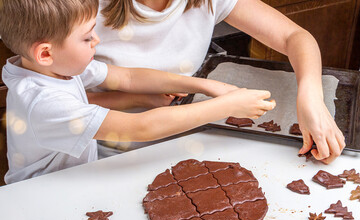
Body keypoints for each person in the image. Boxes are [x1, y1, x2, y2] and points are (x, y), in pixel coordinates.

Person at [0, 0, 275, 184]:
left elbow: (128, 76)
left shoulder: (56, 67)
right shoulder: (43, 102)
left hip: (78, 179)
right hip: (42, 195)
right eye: (87, 37)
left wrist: (203, 85)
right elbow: (142, 126)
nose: (97, 40)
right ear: (45, 52)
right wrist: (227, 106)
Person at [92, 0, 346, 164]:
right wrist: (137, 100)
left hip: (190, 142)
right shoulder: (81, 8)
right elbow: (63, 101)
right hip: (113, 154)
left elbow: (294, 36)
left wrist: (311, 97)